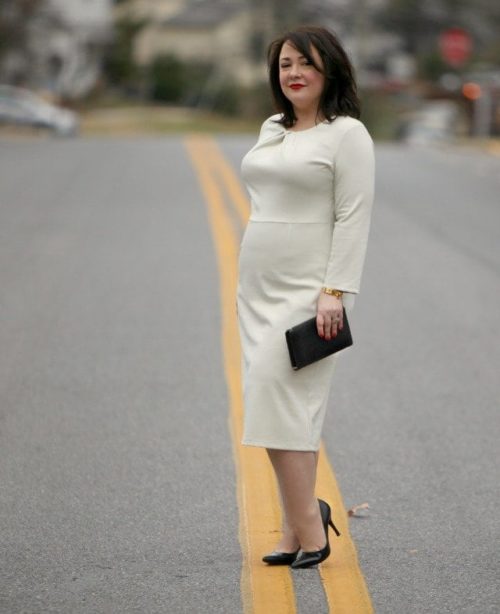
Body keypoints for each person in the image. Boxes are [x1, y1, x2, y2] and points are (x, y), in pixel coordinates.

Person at [237, 25, 375, 569]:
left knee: (284, 399)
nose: (293, 73)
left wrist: (334, 291)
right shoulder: (273, 127)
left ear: (330, 71)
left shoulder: (348, 135)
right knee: (272, 406)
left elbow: (354, 216)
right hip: (257, 287)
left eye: (306, 64)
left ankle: (311, 531)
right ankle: (300, 523)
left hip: (311, 291)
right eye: (286, 64)